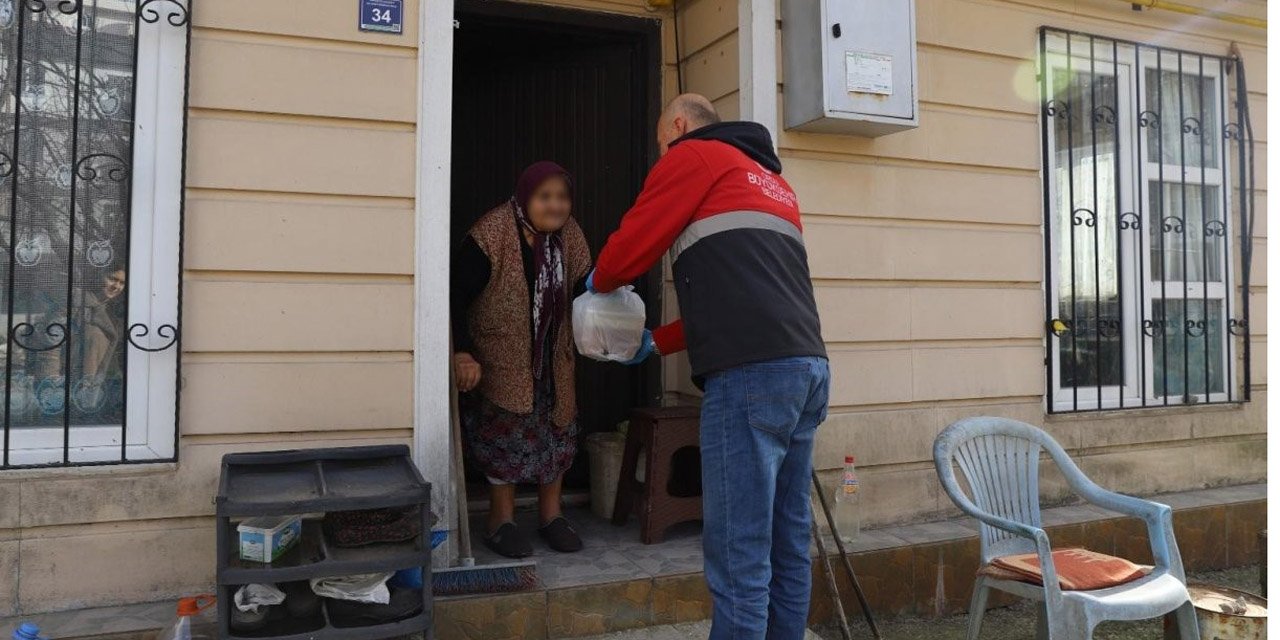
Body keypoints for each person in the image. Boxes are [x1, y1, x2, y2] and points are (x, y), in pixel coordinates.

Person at [589, 94, 828, 639]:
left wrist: (598, 283)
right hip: (806, 368)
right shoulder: (773, 182)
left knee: (739, 550)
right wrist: (658, 342)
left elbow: (629, 250)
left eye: (658, 146)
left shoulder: (693, 156)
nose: (660, 158)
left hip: (752, 378)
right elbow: (748, 297)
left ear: (677, 125)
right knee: (787, 542)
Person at [451, 161, 592, 559]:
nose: (555, 206)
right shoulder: (492, 232)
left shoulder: (571, 235)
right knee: (505, 440)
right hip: (501, 359)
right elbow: (455, 294)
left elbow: (586, 283)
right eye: (545, 197)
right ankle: (501, 521)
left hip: (554, 357)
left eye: (562, 197)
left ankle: (552, 517)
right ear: (526, 197)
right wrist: (461, 352)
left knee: (557, 432)